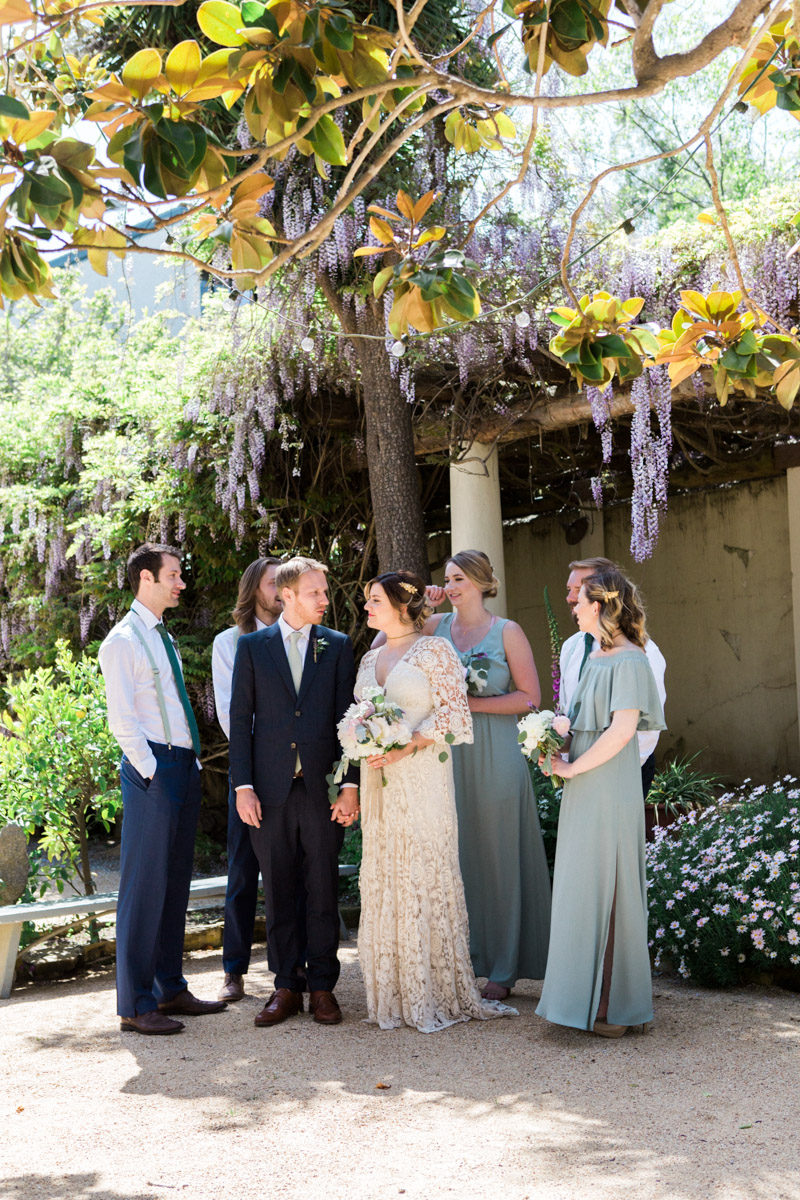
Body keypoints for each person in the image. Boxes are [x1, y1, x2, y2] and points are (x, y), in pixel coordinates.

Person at [356, 569, 517, 1032]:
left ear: (403, 607)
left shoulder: (435, 650)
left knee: (422, 868)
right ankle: (397, 992)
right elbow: (362, 713)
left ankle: (436, 989)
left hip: (423, 773)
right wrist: (363, 739)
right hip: (378, 778)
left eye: (375, 601)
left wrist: (407, 744)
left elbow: (455, 714)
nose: (367, 608)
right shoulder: (372, 657)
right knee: (386, 869)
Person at [98, 543, 227, 1035]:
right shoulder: (122, 640)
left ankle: (169, 987)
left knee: (174, 884)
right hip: (152, 768)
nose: (181, 583)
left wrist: (189, 760)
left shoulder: (163, 637)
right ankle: (135, 1004)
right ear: (146, 579)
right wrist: (151, 769)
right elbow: (122, 719)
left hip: (181, 766)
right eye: (173, 575)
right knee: (142, 887)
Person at [229, 556, 359, 1028]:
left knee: (323, 887)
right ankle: (285, 987)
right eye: (315, 593)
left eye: (324, 592)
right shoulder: (252, 648)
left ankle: (323, 987)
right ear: (286, 595)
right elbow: (241, 721)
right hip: (269, 789)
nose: (325, 600)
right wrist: (243, 786)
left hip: (322, 790)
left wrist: (350, 786)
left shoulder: (338, 646)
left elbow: (351, 722)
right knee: (278, 889)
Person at [536, 566, 665, 1038]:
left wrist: (574, 767)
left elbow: (624, 729)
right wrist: (556, 744)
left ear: (599, 605)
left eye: (578, 601)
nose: (571, 606)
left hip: (607, 783)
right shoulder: (597, 657)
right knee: (583, 886)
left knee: (609, 889)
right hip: (586, 779)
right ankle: (586, 998)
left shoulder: (631, 659)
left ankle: (613, 1003)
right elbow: (583, 720)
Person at [428, 550, 551, 1000]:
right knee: (456, 856)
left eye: (458, 579)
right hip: (446, 756)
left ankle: (504, 965)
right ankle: (464, 960)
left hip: (497, 752)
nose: (451, 586)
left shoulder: (507, 632)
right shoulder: (435, 627)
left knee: (499, 858)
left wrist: (467, 706)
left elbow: (530, 697)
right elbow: (379, 651)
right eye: (446, 579)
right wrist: (423, 606)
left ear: (481, 582)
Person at [211, 557, 282, 1003]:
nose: (282, 589)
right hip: (249, 771)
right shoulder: (228, 642)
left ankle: (287, 972)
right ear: (254, 589)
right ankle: (233, 971)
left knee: (286, 874)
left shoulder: (302, 638)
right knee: (241, 873)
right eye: (275, 582)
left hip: (292, 773)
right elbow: (228, 712)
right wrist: (250, 773)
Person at [559, 557, 666, 797]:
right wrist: (561, 753)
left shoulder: (644, 653)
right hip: (578, 772)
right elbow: (568, 711)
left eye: (579, 590)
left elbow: (645, 731)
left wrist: (609, 770)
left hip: (621, 771)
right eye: (569, 590)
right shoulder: (571, 647)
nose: (570, 598)